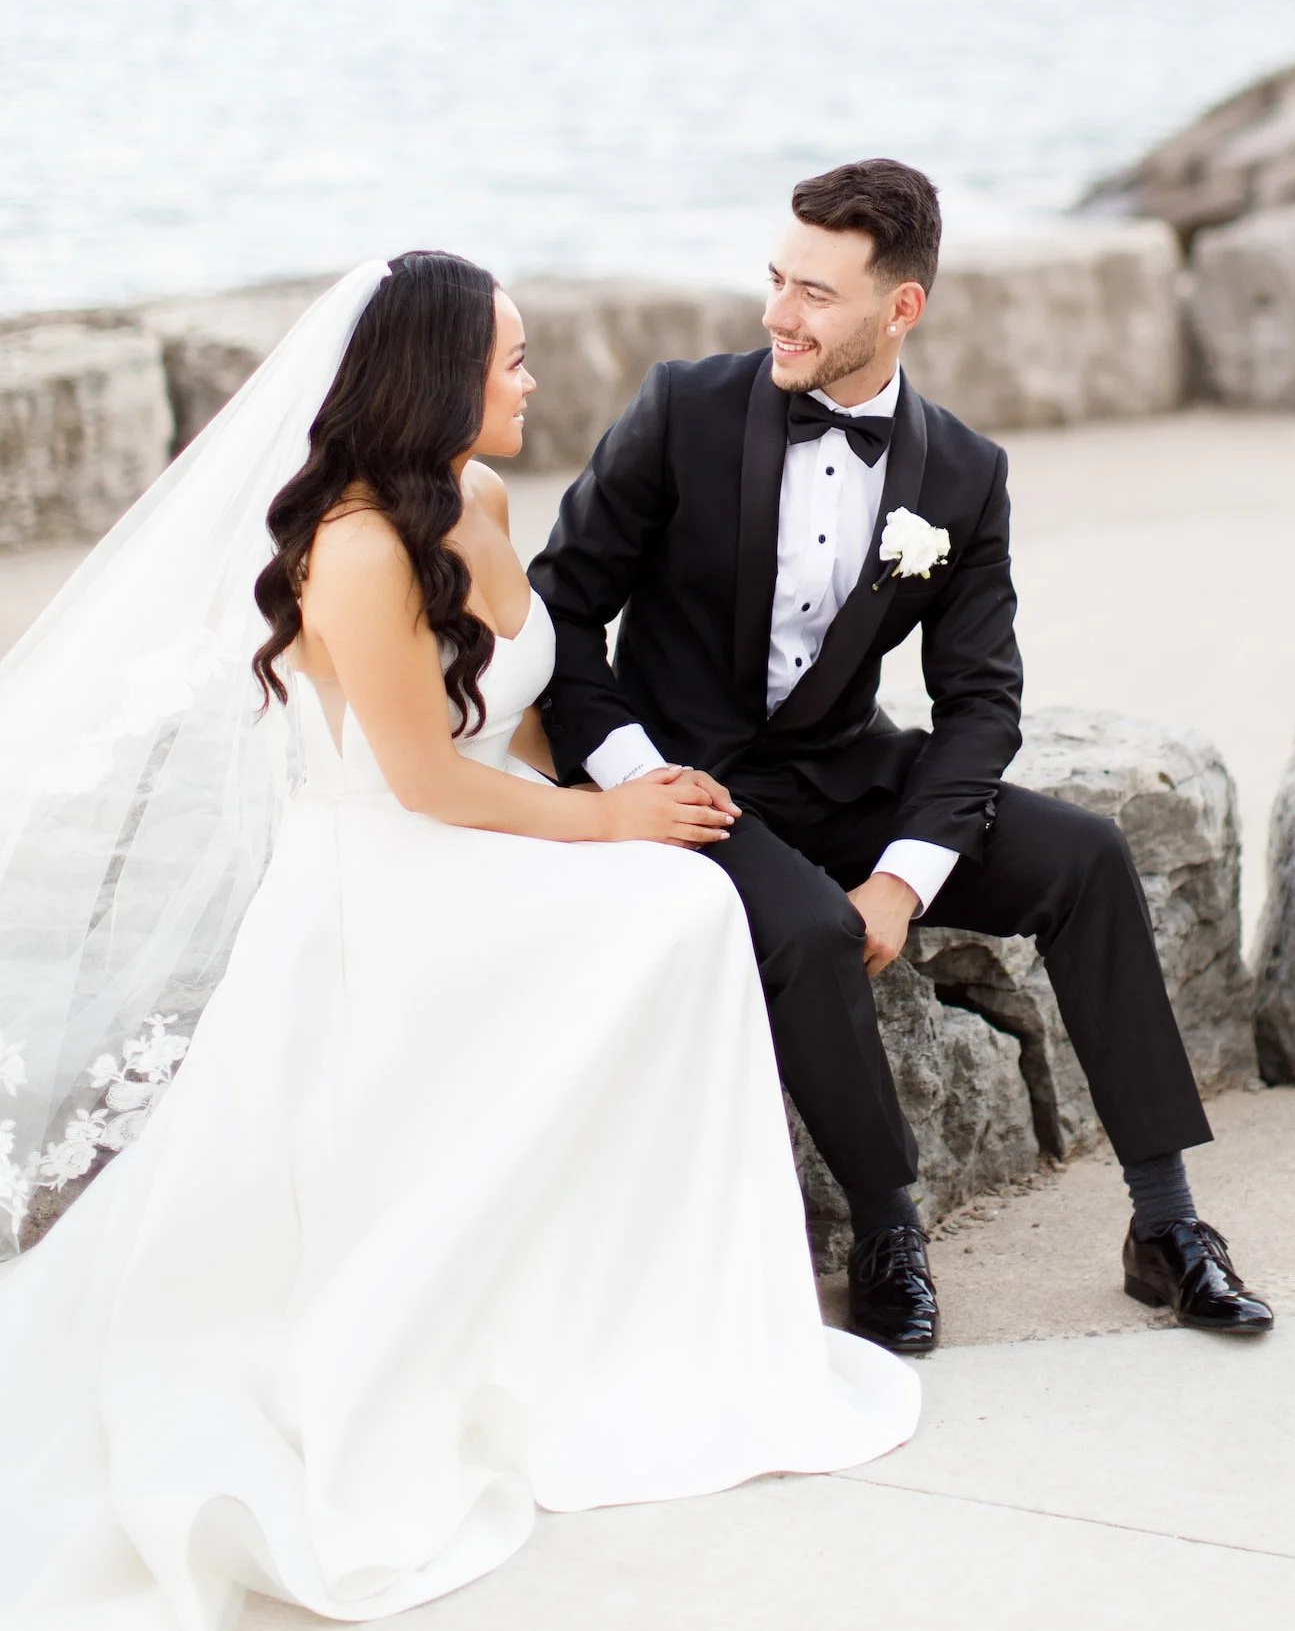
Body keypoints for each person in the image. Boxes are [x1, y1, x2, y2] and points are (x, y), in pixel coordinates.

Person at [0, 253, 916, 1631]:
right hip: (389, 873)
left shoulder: (476, 499)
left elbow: (524, 711)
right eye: (508, 362)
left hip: (489, 836)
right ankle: (559, 1315)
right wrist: (603, 830)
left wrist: (608, 801)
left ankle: (629, 1307)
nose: (529, 383)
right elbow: (420, 779)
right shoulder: (358, 546)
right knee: (666, 913)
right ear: (436, 378)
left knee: (684, 910)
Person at [531, 160, 1273, 1353]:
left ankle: (1165, 1223)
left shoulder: (965, 475)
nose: (778, 312)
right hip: (694, 790)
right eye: (776, 279)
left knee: (1082, 855)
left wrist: (906, 872)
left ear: (899, 309)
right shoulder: (682, 410)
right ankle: (886, 1229)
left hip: (847, 774)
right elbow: (556, 610)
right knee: (814, 934)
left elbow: (980, 698)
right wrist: (628, 775)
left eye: (814, 294)